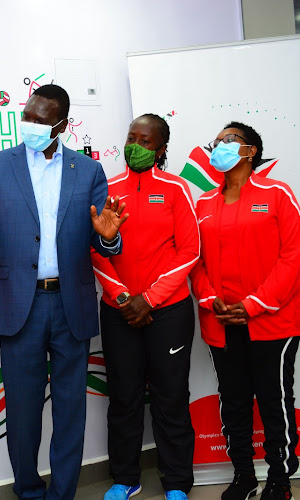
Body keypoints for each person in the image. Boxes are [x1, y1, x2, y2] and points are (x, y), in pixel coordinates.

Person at [0, 84, 127, 500]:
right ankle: (28, 490)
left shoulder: (88, 171)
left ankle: (62, 493)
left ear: (62, 125)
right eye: (27, 116)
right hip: (19, 306)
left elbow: (104, 238)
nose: (30, 125)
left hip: (72, 304)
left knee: (71, 411)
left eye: (41, 120)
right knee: (23, 410)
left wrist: (109, 239)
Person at [190, 122, 300, 500]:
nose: (220, 146)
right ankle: (244, 475)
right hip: (221, 322)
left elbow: (295, 256)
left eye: (229, 140)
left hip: (272, 320)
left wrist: (254, 304)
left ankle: (279, 478)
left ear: (251, 151)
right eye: (217, 141)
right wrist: (211, 300)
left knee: (274, 400)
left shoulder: (276, 194)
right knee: (234, 400)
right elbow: (196, 261)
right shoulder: (204, 202)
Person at [92, 114, 198, 500]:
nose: (135, 145)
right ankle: (125, 478)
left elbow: (190, 251)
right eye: (131, 137)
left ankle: (176, 483)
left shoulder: (176, 189)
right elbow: (95, 248)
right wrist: (123, 297)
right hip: (120, 311)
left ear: (161, 149)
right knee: (124, 396)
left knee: (171, 397)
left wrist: (149, 298)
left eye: (146, 140)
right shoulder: (106, 188)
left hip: (167, 311)